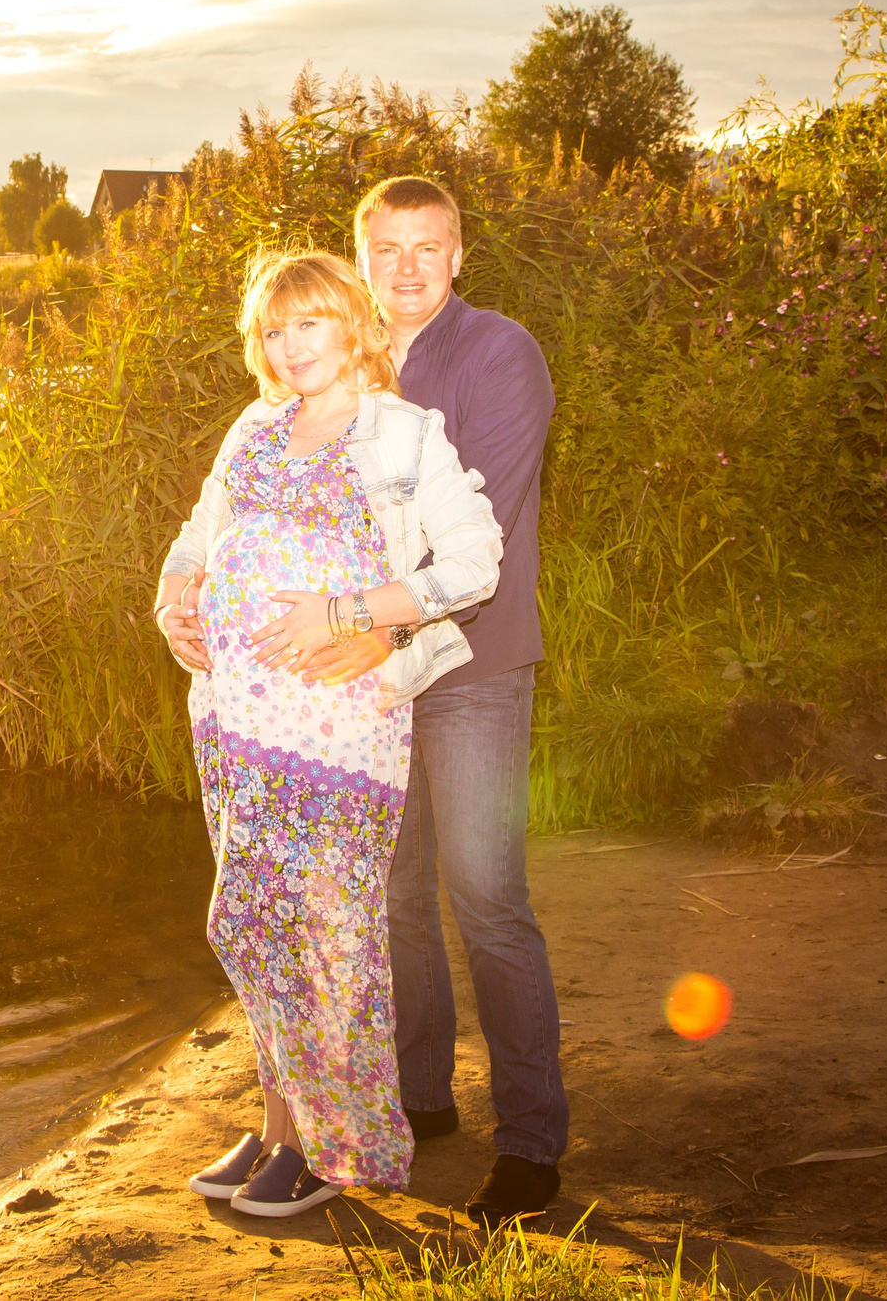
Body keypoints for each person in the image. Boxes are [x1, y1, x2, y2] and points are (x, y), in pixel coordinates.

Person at [153, 249, 503, 1219]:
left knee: (325, 936)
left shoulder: (398, 433)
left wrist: (351, 614)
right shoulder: (255, 426)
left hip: (334, 733)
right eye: (272, 328)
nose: (289, 344)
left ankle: (337, 1147)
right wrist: (171, 603)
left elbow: (475, 562)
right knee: (251, 925)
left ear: (351, 321)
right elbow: (196, 534)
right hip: (232, 721)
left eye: (308, 321)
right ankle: (278, 1128)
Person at [357, 175, 568, 1229]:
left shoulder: (496, 353)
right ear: (362, 257)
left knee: (486, 899)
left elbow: (469, 527)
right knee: (397, 897)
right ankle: (421, 1095)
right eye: (386, 248)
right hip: (372, 676)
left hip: (472, 662)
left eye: (424, 247)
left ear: (457, 256)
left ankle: (530, 1144)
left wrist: (350, 612)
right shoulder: (342, 360)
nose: (406, 267)